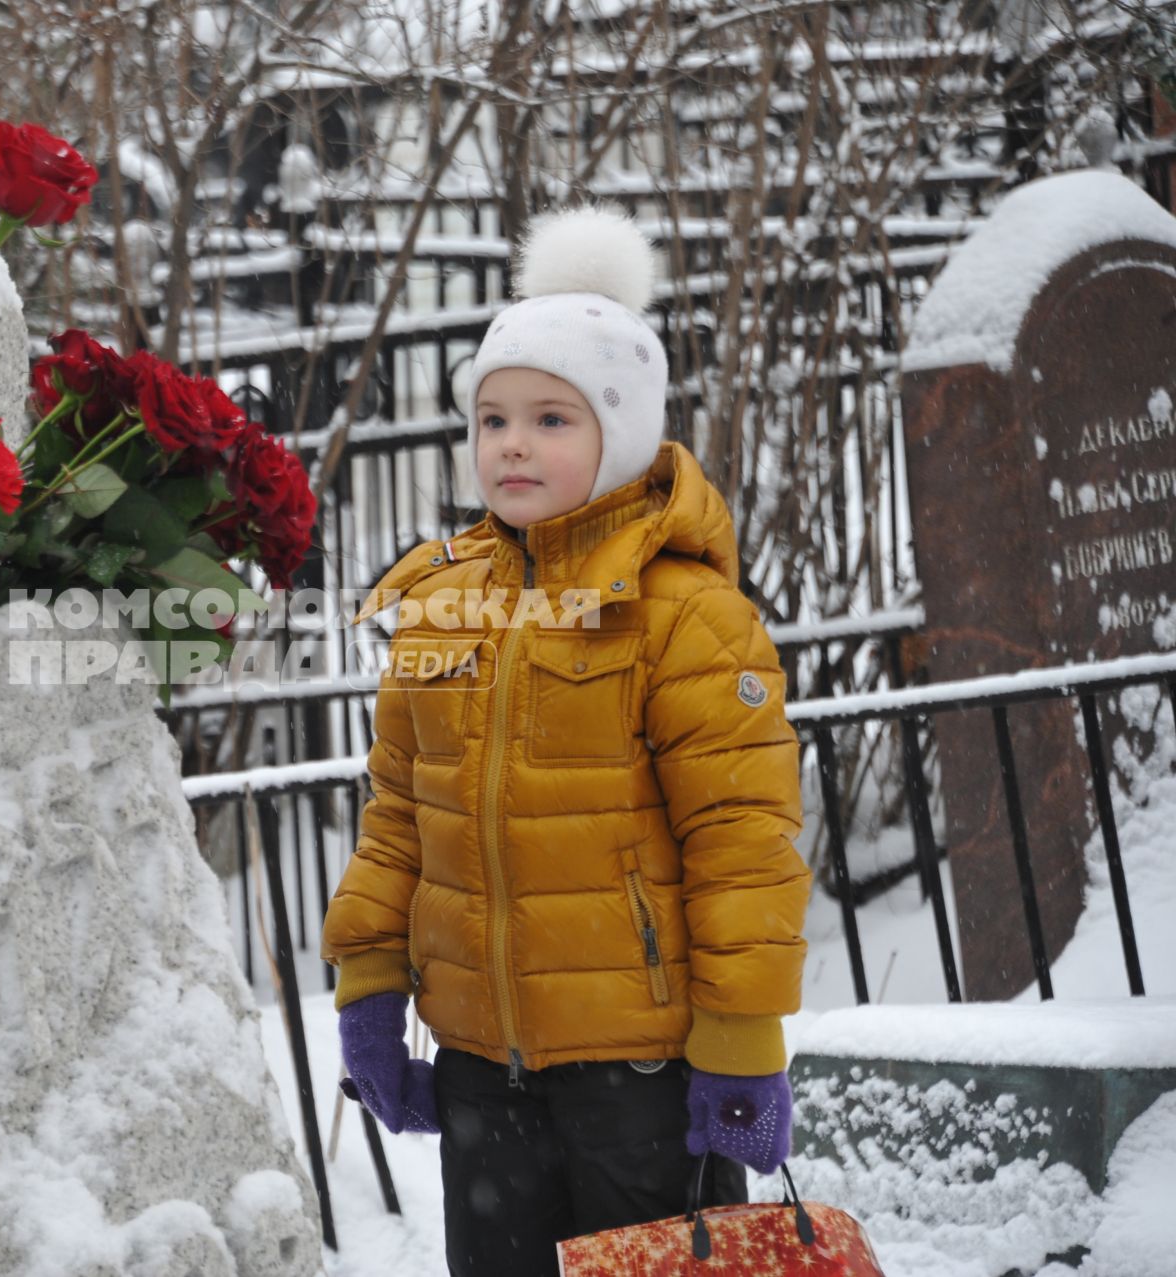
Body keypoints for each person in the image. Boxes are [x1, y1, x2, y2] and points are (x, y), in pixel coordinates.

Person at [319, 206, 813, 1276]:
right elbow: (401, 812)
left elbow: (743, 838)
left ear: (623, 432)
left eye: (552, 417)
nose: (512, 443)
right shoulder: (442, 602)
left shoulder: (686, 615)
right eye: (492, 418)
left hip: (639, 1076)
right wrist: (369, 980)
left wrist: (740, 1044)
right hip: (478, 1072)